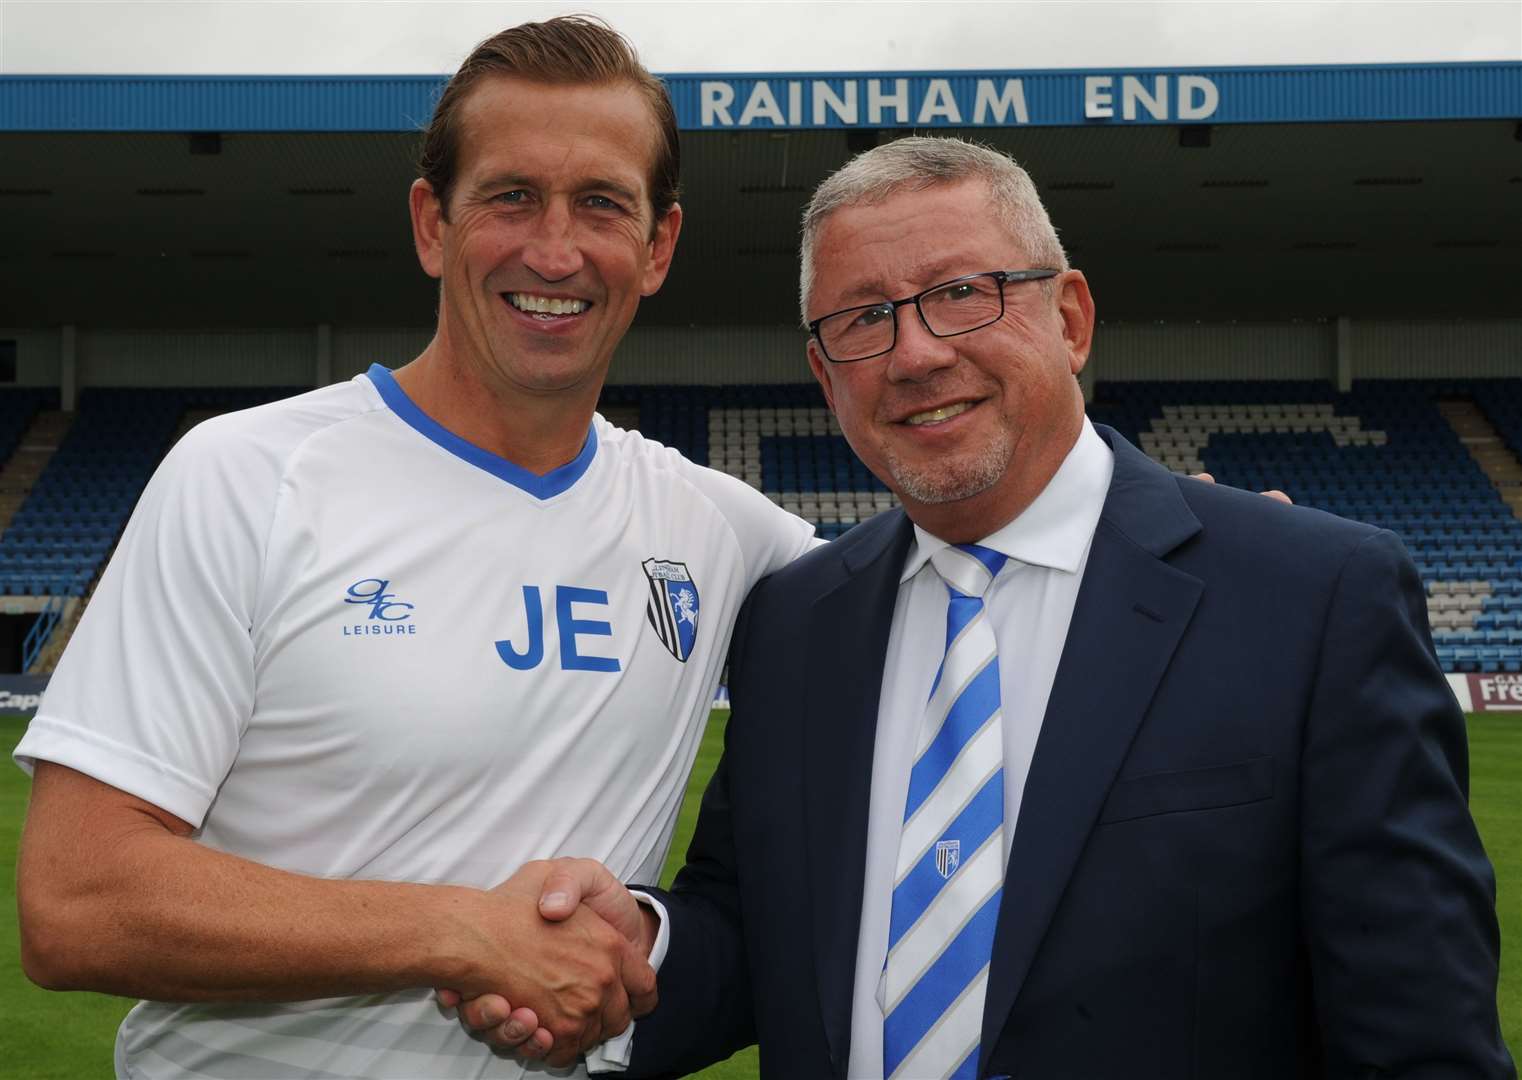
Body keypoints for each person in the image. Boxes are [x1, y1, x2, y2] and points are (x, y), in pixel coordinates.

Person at [466, 137, 1515, 1078]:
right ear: (824, 374)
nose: (916, 352)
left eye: (962, 292)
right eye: (862, 318)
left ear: (1069, 318)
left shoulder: (1311, 598)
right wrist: (634, 951)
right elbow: (757, 940)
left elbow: (1418, 1035)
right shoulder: (794, 623)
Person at [12, 17, 818, 1079]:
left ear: (657, 246)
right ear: (431, 224)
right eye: (511, 196)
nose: (555, 250)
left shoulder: (726, 531)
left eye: (601, 205)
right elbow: (76, 900)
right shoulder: (249, 476)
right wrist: (456, 929)